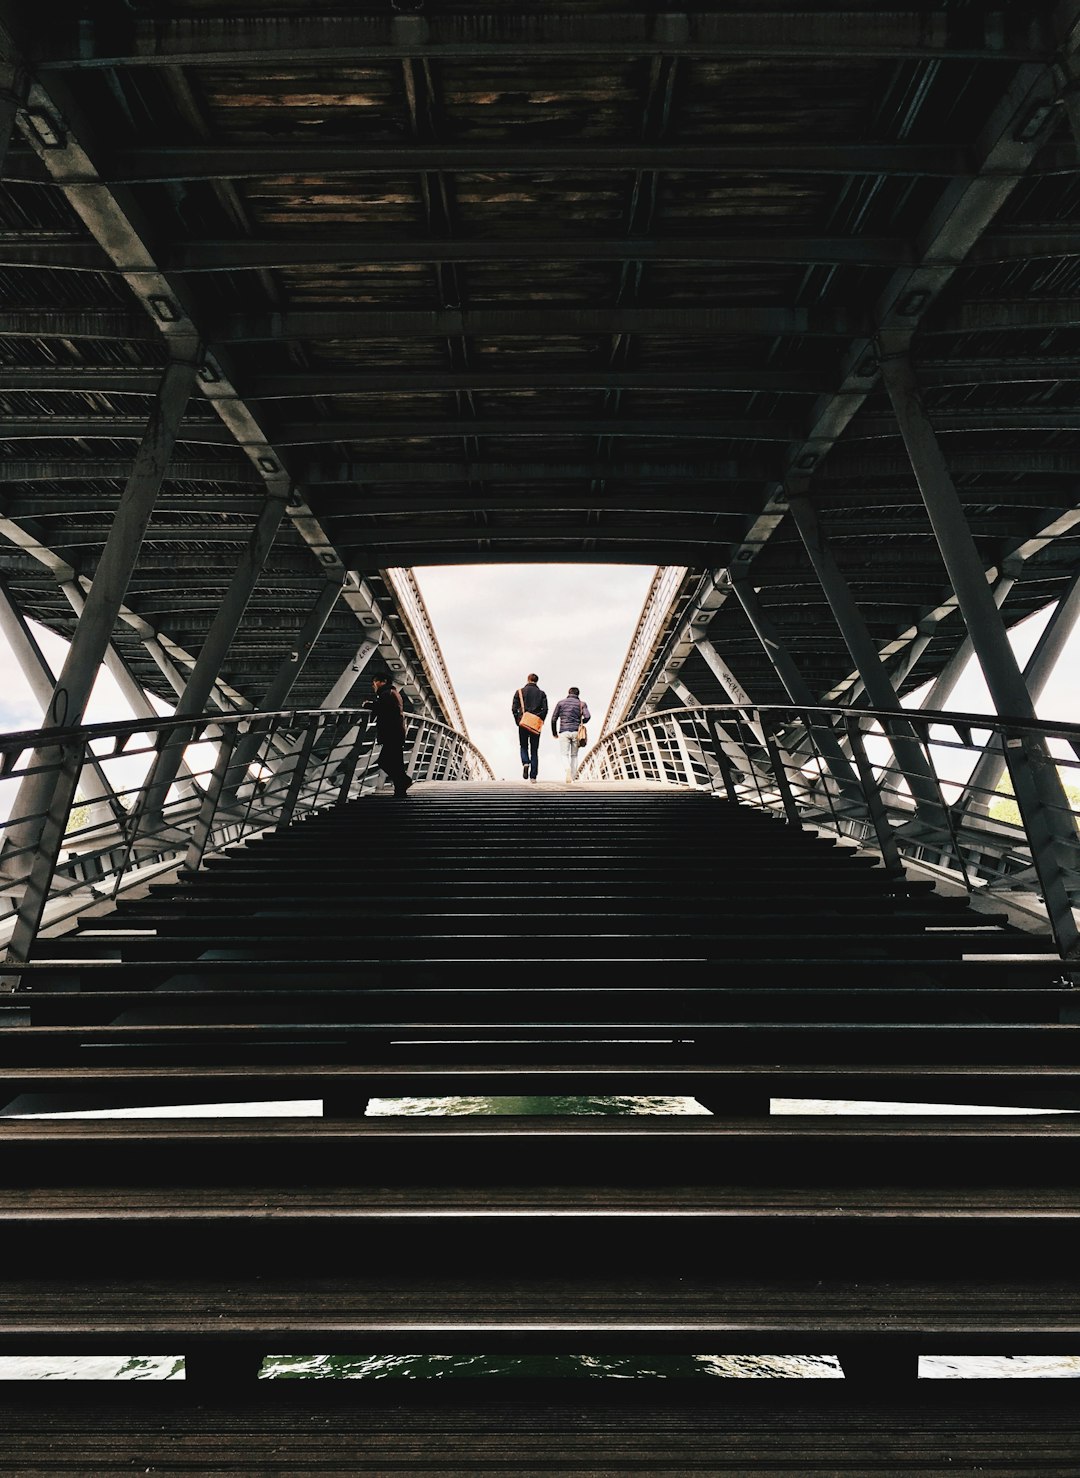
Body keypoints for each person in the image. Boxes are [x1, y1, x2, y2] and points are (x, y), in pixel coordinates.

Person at [367, 673, 412, 798]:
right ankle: (400, 791)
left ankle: (403, 781)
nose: (373, 685)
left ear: (383, 681)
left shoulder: (387, 694)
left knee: (384, 762)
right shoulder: (392, 693)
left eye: (375, 682)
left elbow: (383, 708)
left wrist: (369, 705)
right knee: (396, 763)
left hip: (392, 734)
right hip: (396, 733)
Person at [550, 686, 591, 783]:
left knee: (564, 754)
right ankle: (572, 777)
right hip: (576, 731)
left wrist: (554, 732)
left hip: (564, 731)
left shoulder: (561, 703)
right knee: (574, 755)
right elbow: (588, 716)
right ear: (578, 694)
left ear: (568, 693)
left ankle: (567, 769)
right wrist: (582, 722)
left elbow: (553, 719)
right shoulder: (582, 704)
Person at [511, 673, 548, 781]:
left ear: (527, 680)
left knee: (523, 745)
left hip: (523, 722)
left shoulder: (519, 692)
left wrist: (518, 720)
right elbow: (545, 709)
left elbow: (514, 709)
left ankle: (526, 762)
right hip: (535, 724)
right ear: (537, 681)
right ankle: (533, 776)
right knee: (534, 750)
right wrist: (540, 719)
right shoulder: (542, 694)